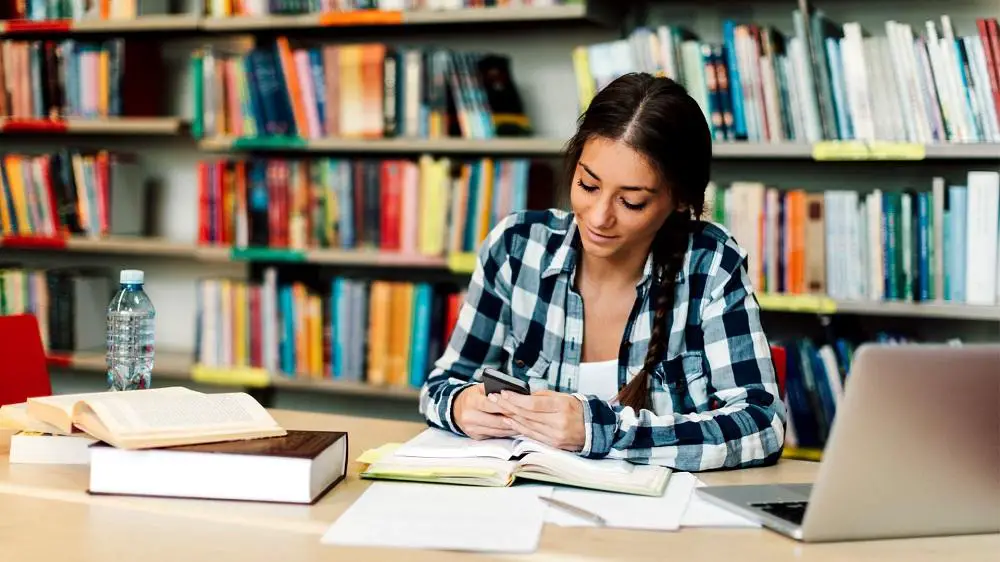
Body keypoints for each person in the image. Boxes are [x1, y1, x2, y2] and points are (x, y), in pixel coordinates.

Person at [418, 73, 786, 472]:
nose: (598, 218)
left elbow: (762, 425)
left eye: (631, 202)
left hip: (657, 523)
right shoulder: (516, 247)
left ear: (680, 200)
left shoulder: (711, 265)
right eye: (588, 186)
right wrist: (460, 406)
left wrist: (599, 431)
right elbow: (441, 385)